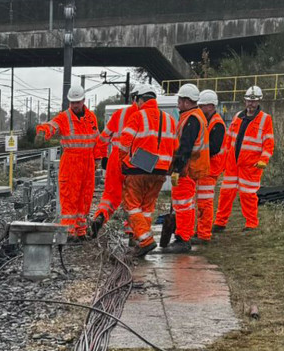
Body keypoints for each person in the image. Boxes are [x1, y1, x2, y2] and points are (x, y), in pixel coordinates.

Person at [116, 86, 178, 258]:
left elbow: (124, 144)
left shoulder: (137, 116)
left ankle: (144, 240)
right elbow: (175, 147)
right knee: (147, 207)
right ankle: (140, 239)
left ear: (140, 99)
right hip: (161, 171)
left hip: (139, 167)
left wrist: (124, 162)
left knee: (132, 205)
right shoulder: (169, 119)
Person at [36, 84, 99, 241]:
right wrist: (42, 131)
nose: (75, 105)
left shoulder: (91, 118)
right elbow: (52, 125)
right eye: (72, 102)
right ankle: (69, 233)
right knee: (69, 198)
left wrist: (98, 158)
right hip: (71, 162)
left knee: (85, 198)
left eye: (77, 102)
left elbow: (96, 139)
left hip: (88, 163)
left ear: (84, 100)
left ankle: (80, 230)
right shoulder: (64, 117)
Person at [213, 86, 274, 232]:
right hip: (232, 164)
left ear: (259, 101)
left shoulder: (265, 119)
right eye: (248, 101)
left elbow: (269, 143)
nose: (251, 104)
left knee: (248, 195)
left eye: (253, 101)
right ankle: (220, 223)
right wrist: (223, 160)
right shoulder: (238, 116)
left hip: (251, 165)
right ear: (245, 101)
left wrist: (263, 160)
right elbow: (229, 140)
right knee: (226, 193)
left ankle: (251, 224)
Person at [89, 85, 142, 238]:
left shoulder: (120, 113)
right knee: (134, 197)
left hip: (115, 160)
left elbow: (103, 138)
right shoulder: (146, 115)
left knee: (110, 196)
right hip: (135, 161)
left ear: (133, 98)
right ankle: (131, 230)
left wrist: (103, 157)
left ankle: (100, 215)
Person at [162, 84, 210, 253]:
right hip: (191, 168)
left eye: (180, 100)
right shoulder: (193, 116)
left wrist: (177, 168)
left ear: (187, 101)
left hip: (187, 169)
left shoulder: (191, 119)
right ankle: (184, 235)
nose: (178, 103)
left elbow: (185, 147)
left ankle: (183, 238)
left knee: (182, 204)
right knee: (186, 204)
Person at [195, 90, 226, 244]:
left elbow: (213, 148)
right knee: (201, 202)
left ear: (210, 106)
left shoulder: (217, 124)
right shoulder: (209, 121)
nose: (199, 108)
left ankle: (204, 234)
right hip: (206, 168)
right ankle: (201, 231)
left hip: (211, 168)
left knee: (205, 203)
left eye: (201, 105)